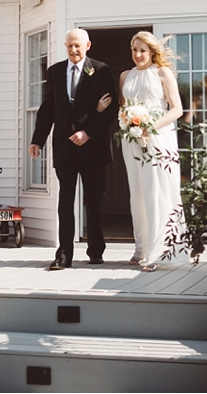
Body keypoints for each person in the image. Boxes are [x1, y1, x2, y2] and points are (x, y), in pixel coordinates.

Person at [29, 29, 118, 270]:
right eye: (69, 46)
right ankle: (64, 254)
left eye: (77, 45)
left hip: (93, 147)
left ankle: (96, 251)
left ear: (87, 45)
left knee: (94, 201)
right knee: (65, 202)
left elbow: (110, 110)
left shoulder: (101, 71)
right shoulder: (56, 71)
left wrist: (87, 132)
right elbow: (48, 109)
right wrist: (38, 140)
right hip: (65, 148)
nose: (73, 50)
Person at [119, 32, 185, 272]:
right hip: (132, 141)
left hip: (158, 139)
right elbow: (123, 109)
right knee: (137, 194)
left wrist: (150, 127)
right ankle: (141, 248)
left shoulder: (162, 72)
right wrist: (129, 125)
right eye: (134, 50)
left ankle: (158, 252)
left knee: (155, 192)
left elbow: (177, 109)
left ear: (152, 51)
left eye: (142, 50)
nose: (137, 55)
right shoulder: (125, 76)